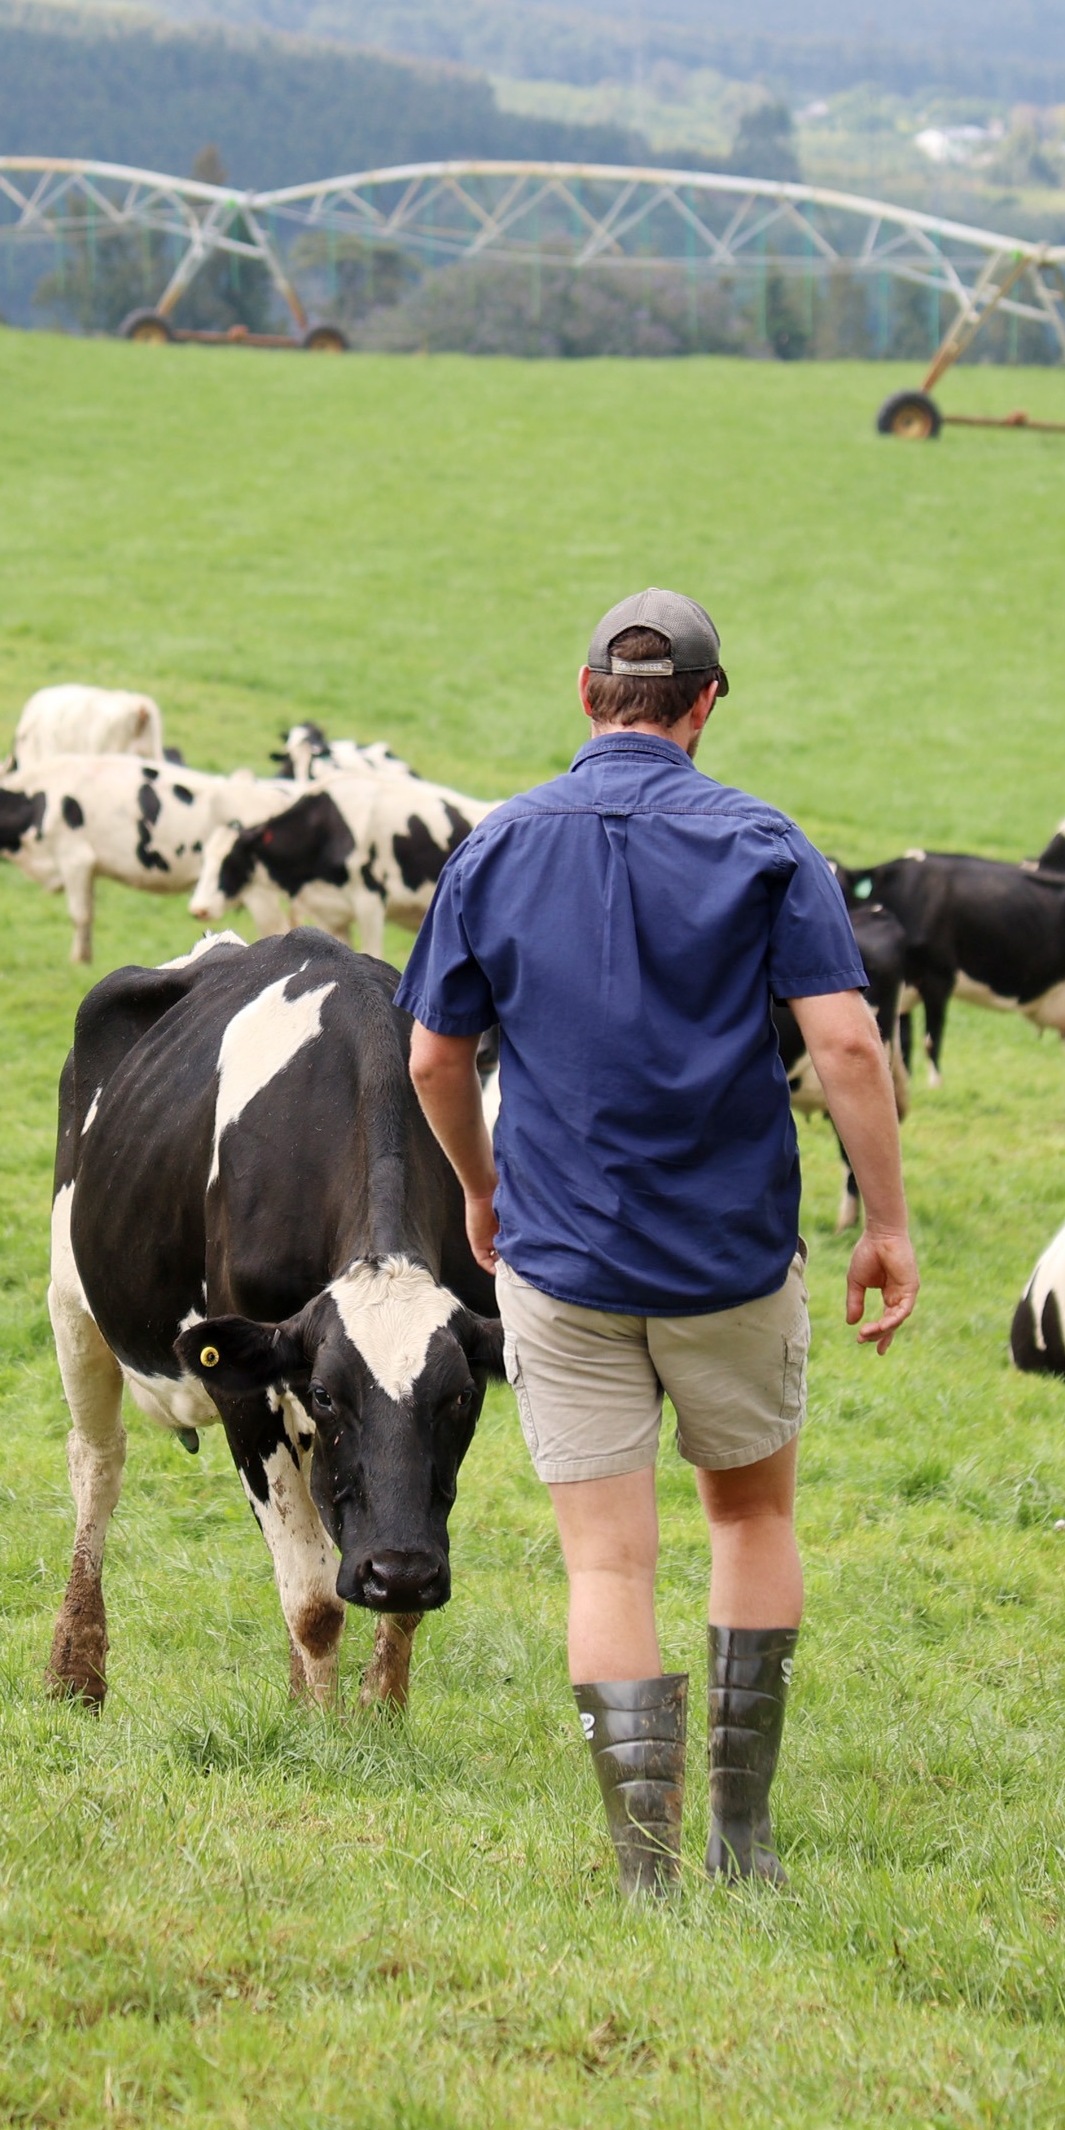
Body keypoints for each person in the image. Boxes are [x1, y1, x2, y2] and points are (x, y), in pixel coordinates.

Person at [399, 588, 919, 1897]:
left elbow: (433, 1054)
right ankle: (742, 1843)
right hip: (732, 1257)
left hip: (561, 1261)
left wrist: (477, 1189)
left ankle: (642, 1866)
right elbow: (849, 1044)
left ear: (585, 697)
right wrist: (888, 1223)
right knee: (748, 1518)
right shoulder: (764, 843)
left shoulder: (499, 844)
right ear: (706, 704)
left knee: (607, 1559)